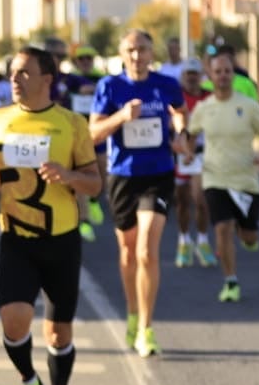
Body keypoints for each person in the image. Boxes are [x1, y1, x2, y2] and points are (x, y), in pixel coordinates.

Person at [0, 47, 100, 385]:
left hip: (61, 240)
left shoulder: (72, 123)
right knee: (13, 321)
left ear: (48, 79)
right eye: (12, 72)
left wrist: (69, 176)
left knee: (58, 333)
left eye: (24, 72)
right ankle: (30, 382)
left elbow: (95, 184)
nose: (14, 79)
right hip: (16, 238)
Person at [91, 29, 192, 357]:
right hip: (123, 176)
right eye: (131, 50)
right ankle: (133, 311)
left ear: (152, 53)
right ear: (122, 54)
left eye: (143, 49)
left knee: (147, 250)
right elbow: (93, 133)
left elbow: (180, 112)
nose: (137, 56)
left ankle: (147, 328)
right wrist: (122, 116)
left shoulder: (166, 84)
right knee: (128, 253)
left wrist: (180, 133)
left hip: (158, 174)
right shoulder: (110, 86)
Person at [194, 50, 259, 303]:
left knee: (249, 237)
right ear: (210, 75)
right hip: (215, 178)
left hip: (245, 180)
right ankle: (231, 282)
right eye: (217, 72)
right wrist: (186, 152)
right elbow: (188, 133)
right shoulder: (203, 108)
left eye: (227, 71)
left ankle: (246, 231)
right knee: (222, 229)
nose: (222, 76)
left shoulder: (248, 106)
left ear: (233, 74)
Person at [52, 41, 110, 242]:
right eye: (81, 58)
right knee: (80, 174)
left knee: (101, 168)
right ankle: (83, 220)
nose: (85, 61)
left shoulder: (82, 78)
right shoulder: (50, 80)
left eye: (88, 58)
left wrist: (90, 89)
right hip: (72, 133)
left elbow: (98, 89)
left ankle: (94, 199)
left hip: (95, 130)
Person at [171, 60, 215, 269]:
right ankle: (184, 241)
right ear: (182, 76)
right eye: (188, 73)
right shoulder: (176, 97)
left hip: (201, 154)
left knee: (201, 199)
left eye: (195, 74)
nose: (191, 77)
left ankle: (203, 241)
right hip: (180, 155)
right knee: (182, 202)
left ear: (201, 76)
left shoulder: (209, 97)